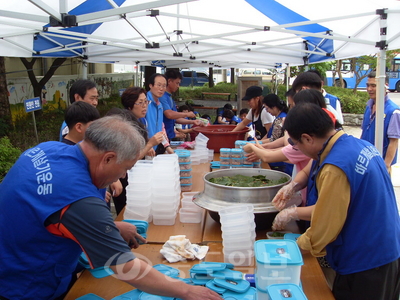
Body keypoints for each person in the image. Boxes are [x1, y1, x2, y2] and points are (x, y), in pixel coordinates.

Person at [0, 116, 222, 300]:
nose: (123, 176)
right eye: (126, 167)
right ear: (108, 158)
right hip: (24, 282)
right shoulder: (77, 196)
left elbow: (46, 209)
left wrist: (111, 226)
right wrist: (187, 290)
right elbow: (126, 267)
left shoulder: (49, 149)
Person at [271, 103, 400, 300]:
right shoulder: (356, 145)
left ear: (307, 138)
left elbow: (325, 224)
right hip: (387, 250)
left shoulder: (335, 167)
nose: (299, 150)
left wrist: (290, 250)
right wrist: (293, 186)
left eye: (297, 145)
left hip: (366, 261)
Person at [361, 71, 400, 172]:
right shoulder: (368, 107)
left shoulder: (393, 111)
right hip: (366, 162)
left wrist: (385, 166)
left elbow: (394, 141)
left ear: (386, 86)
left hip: (381, 165)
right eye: (368, 85)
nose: (369, 89)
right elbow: (364, 132)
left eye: (374, 85)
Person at [159, 70, 203, 141]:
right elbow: (169, 114)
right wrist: (187, 114)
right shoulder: (162, 96)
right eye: (177, 83)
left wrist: (192, 122)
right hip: (162, 137)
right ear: (169, 81)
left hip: (168, 136)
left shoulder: (170, 98)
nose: (178, 86)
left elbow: (175, 118)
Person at [145, 73, 174, 154]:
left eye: (164, 86)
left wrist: (167, 147)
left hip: (154, 148)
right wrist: (146, 145)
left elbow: (161, 128)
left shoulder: (159, 105)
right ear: (151, 85)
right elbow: (139, 126)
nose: (161, 89)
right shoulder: (144, 103)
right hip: (144, 148)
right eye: (158, 85)